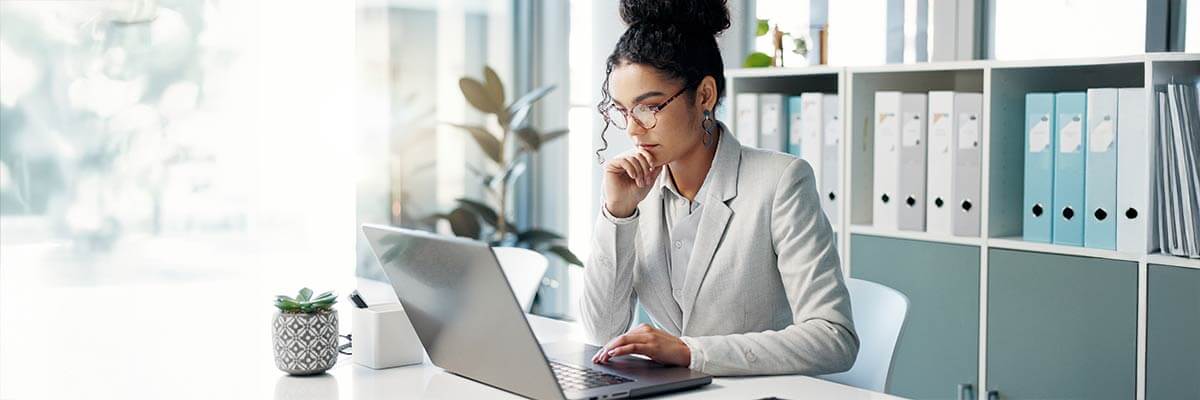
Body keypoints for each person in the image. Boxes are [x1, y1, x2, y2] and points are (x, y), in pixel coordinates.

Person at [579, 0, 859, 376]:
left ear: (705, 96)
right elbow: (601, 331)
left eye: (649, 107)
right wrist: (618, 214)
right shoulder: (636, 190)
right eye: (622, 110)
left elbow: (834, 339)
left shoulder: (780, 182)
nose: (632, 129)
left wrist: (690, 352)